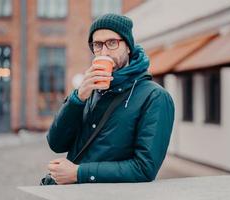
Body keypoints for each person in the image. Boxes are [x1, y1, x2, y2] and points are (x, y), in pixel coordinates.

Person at [46, 13, 175, 184]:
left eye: (112, 43)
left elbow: (144, 168)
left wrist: (79, 173)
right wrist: (78, 98)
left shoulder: (155, 97)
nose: (104, 52)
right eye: (97, 45)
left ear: (128, 46)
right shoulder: (89, 91)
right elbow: (56, 143)